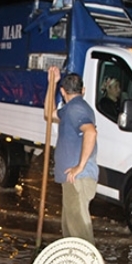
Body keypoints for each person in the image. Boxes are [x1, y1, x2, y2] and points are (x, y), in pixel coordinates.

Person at [44, 66, 98, 244]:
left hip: (78, 179)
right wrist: (52, 84)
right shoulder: (70, 109)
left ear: (63, 91)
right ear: (83, 90)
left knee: (80, 235)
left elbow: (90, 132)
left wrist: (79, 167)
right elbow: (48, 115)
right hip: (73, 180)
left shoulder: (75, 109)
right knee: (71, 232)